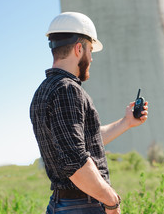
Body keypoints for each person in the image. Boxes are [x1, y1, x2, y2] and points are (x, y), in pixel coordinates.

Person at [30, 12, 148, 214]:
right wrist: (112, 202)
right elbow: (75, 161)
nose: (92, 58)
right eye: (90, 50)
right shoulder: (67, 90)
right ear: (78, 49)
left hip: (61, 204)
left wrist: (126, 122)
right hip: (82, 205)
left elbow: (80, 142)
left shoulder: (43, 91)